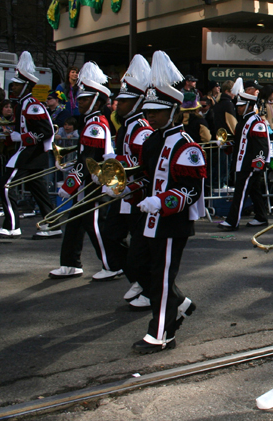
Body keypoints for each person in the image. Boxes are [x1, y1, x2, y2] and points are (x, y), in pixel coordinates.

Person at [120, 50, 205, 354]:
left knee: (161, 278)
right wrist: (127, 189)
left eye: (156, 110)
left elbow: (191, 190)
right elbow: (146, 176)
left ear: (173, 110)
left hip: (172, 223)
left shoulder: (187, 146)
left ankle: (161, 334)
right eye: (149, 110)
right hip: (150, 219)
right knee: (135, 265)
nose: (150, 115)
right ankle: (180, 304)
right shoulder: (153, 140)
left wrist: (162, 202)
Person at [49, 61, 119, 279]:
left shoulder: (96, 124)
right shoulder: (90, 122)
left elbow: (89, 158)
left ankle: (113, 265)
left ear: (97, 101)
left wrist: (69, 184)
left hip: (94, 183)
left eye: (85, 99)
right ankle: (70, 263)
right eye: (79, 98)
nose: (80, 102)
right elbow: (85, 157)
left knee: (95, 225)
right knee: (75, 223)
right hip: (88, 182)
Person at [100, 55, 154, 307]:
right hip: (124, 194)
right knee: (110, 234)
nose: (116, 104)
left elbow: (144, 168)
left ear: (135, 103)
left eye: (122, 101)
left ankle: (147, 286)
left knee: (140, 248)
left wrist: (121, 180)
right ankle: (138, 279)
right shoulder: (126, 126)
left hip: (138, 197)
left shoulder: (141, 128)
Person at [0, 52, 58, 240]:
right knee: (39, 191)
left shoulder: (32, 105)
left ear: (26, 85)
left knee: (5, 185)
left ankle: (12, 226)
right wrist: (12, 133)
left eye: (18, 84)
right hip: (30, 154)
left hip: (30, 154)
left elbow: (46, 131)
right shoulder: (23, 103)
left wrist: (20, 138)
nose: (14, 87)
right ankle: (53, 224)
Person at [218, 78, 270, 230]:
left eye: (241, 106)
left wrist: (258, 162)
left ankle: (232, 221)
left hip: (249, 164)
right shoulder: (243, 121)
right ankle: (261, 217)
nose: (238, 108)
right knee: (254, 191)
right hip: (242, 162)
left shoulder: (256, 122)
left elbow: (262, 145)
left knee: (240, 192)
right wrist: (228, 145)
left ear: (248, 106)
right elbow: (241, 141)